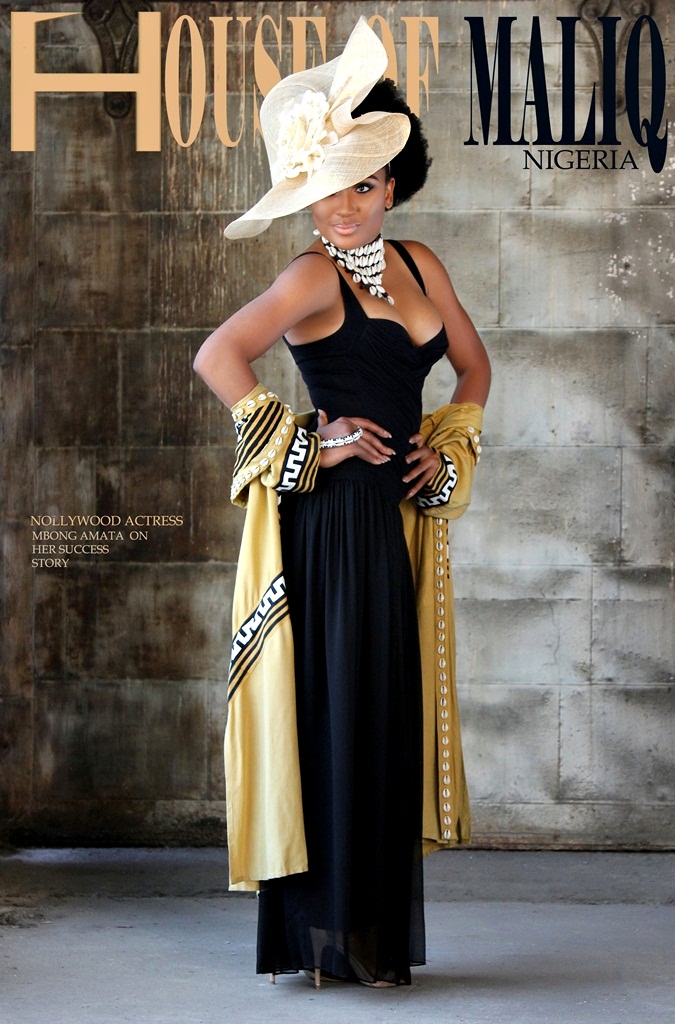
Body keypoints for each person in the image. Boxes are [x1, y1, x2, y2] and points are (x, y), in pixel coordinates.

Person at [193, 18, 491, 989]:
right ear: (307, 199)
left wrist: (447, 452)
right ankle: (324, 943)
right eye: (326, 189)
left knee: (382, 716)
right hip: (328, 527)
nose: (345, 205)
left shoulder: (422, 266)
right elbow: (218, 357)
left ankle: (366, 938)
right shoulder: (311, 275)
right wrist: (303, 442)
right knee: (337, 714)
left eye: (361, 184)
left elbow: (475, 367)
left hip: (390, 527)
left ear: (391, 185)